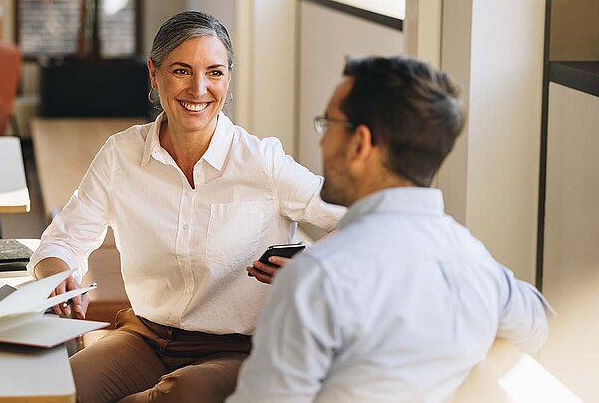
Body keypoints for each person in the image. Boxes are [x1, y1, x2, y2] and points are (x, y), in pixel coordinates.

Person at [27, 11, 345, 403]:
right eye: (181, 71)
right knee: (57, 391)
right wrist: (58, 279)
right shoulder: (121, 155)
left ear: (228, 80)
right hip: (147, 338)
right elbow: (61, 241)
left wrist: (314, 261)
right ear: (153, 74)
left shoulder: (262, 161)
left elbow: (357, 221)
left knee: (182, 395)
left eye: (214, 72)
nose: (198, 89)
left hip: (239, 349)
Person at [227, 56, 555, 403]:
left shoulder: (317, 279)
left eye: (328, 125)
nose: (322, 143)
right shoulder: (477, 265)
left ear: (359, 144)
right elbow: (541, 324)